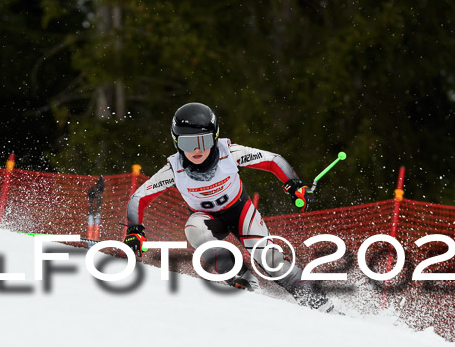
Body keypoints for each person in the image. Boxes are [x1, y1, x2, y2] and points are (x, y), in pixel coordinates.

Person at [123, 102, 334, 312]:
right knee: (193, 229)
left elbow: (273, 160)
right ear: (176, 143)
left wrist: (293, 184)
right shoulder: (174, 169)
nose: (197, 149)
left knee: (270, 259)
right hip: (206, 218)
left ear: (214, 139)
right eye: (188, 143)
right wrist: (135, 230)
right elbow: (139, 197)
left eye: (203, 141)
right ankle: (242, 279)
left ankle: (319, 303)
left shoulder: (230, 153)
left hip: (240, 212)